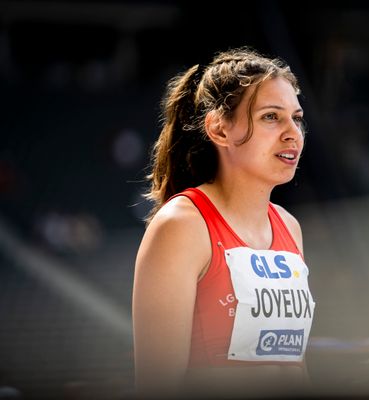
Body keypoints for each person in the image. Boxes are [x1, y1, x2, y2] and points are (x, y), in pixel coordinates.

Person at [132, 47, 316, 399]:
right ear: (219, 129)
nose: (293, 132)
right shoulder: (182, 225)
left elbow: (295, 366)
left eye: (297, 117)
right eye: (271, 117)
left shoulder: (289, 226)